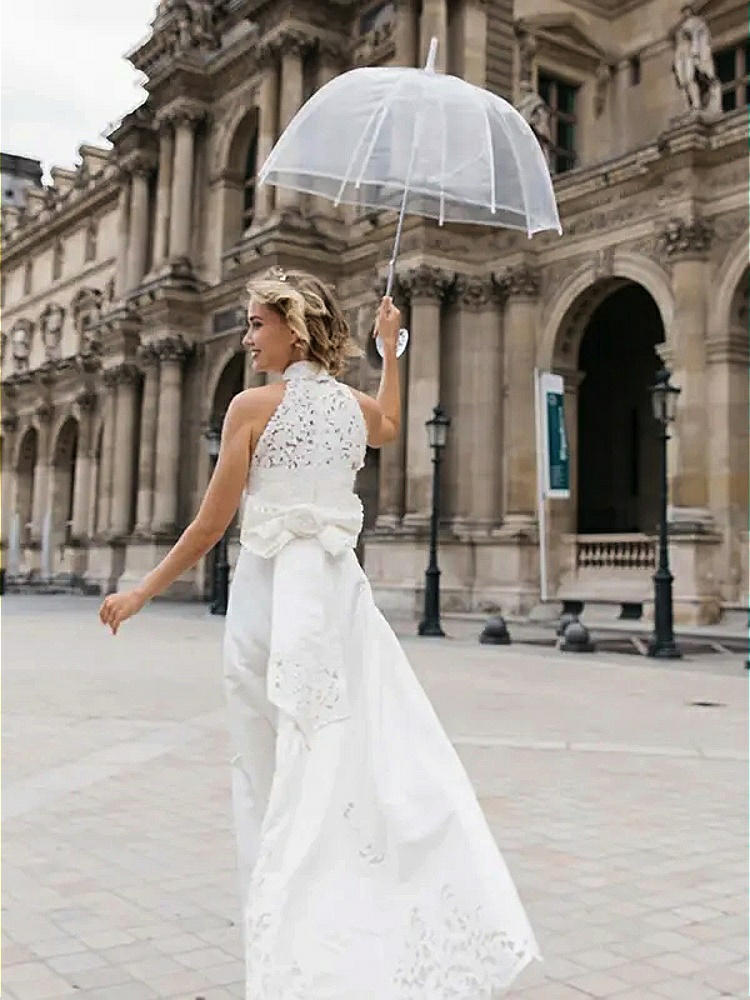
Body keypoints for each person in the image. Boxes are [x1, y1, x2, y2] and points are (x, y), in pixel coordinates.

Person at [99, 267, 543, 997]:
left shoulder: (251, 407)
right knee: (348, 754)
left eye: (257, 324)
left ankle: (291, 924)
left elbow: (211, 524)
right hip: (337, 597)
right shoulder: (352, 408)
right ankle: (349, 909)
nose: (248, 339)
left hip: (273, 597)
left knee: (272, 765)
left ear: (295, 329)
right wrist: (390, 350)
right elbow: (391, 424)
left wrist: (144, 589)